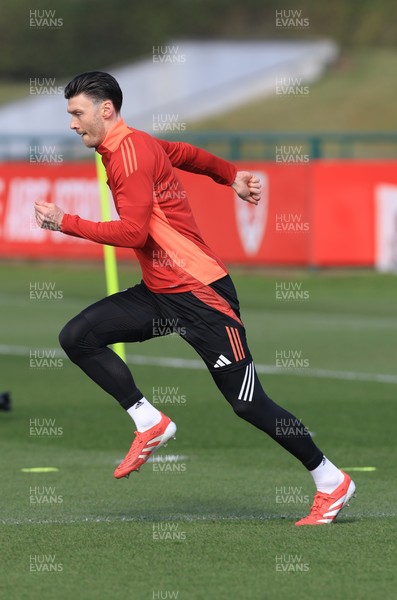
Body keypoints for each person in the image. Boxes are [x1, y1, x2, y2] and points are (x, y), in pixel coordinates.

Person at [34, 71, 355, 526]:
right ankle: (149, 422)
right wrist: (231, 177)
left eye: (77, 113)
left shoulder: (127, 156)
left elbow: (133, 232)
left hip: (202, 297)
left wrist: (64, 221)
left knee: (248, 403)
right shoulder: (133, 144)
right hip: (162, 294)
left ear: (106, 109)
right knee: (78, 336)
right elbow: (184, 153)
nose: (72, 123)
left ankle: (331, 480)